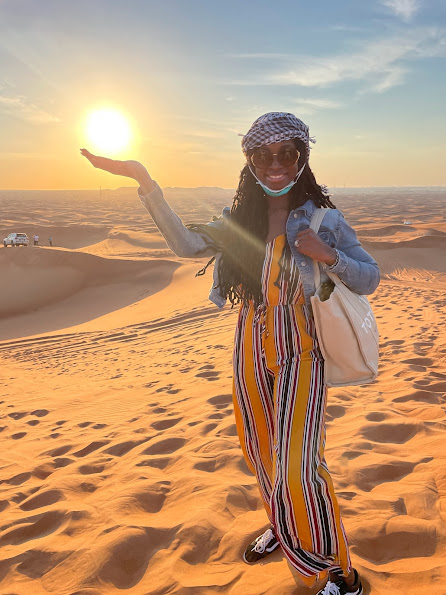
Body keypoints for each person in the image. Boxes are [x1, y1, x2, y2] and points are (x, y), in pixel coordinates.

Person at [81, 112, 379, 595]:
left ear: (303, 158)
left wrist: (330, 257)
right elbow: (183, 245)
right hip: (250, 348)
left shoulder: (325, 221)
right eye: (264, 154)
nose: (276, 163)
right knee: (260, 453)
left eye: (288, 153)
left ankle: (334, 572)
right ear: (250, 161)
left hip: (303, 351)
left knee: (300, 467)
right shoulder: (241, 220)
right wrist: (145, 181)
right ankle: (285, 531)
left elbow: (369, 277)